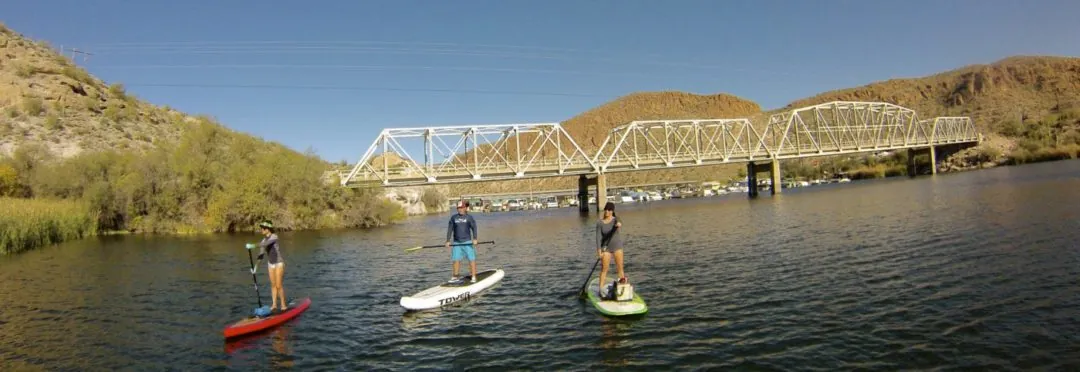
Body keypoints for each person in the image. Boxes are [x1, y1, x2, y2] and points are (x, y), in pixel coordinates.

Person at [256, 220, 288, 313]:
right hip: (270, 264)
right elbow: (261, 255)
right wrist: (255, 267)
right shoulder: (263, 240)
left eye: (263, 228)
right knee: (273, 285)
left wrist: (253, 245)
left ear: (268, 229)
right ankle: (274, 305)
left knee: (278, 285)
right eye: (261, 228)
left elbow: (266, 244)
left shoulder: (274, 237)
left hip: (279, 263)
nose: (261, 229)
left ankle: (283, 305)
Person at [596, 202, 625, 298]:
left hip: (617, 247)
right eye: (606, 209)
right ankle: (600, 289)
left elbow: (619, 220)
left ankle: (623, 288)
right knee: (604, 269)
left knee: (620, 268)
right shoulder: (600, 223)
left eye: (609, 210)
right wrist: (599, 251)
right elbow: (598, 238)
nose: (606, 211)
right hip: (606, 248)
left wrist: (619, 223)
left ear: (612, 211)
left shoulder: (615, 219)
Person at [446, 200, 479, 283]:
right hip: (457, 243)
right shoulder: (453, 218)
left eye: (461, 208)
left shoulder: (469, 217)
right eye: (458, 208)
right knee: (456, 260)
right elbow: (450, 229)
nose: (460, 209)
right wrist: (447, 240)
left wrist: (475, 238)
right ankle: (455, 276)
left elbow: (474, 228)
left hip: (467, 242)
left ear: (465, 208)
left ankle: (473, 276)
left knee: (471, 259)